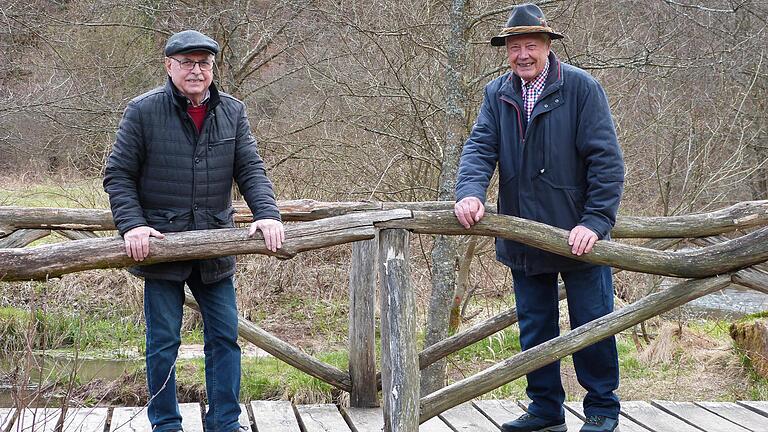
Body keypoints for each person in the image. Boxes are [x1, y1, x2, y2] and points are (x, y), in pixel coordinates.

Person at [454, 4, 625, 432]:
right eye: (514, 47)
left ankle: (602, 411)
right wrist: (470, 194)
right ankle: (545, 411)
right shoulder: (498, 93)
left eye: (530, 45)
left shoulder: (582, 88)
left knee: (593, 326)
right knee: (535, 329)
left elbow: (607, 161)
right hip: (523, 235)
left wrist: (596, 221)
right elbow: (478, 150)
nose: (522, 54)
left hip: (578, 235)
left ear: (548, 47)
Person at [103, 30, 284, 432]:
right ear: (169, 66)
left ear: (213, 68)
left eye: (204, 63)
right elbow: (118, 175)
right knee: (163, 345)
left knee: (224, 340)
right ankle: (166, 424)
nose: (197, 71)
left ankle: (225, 423)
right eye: (187, 63)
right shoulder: (143, 111)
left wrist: (267, 214)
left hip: (215, 247)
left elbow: (251, 169)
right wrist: (132, 225)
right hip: (161, 248)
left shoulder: (233, 111)